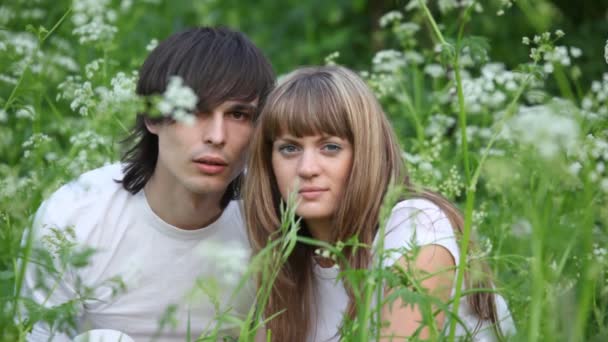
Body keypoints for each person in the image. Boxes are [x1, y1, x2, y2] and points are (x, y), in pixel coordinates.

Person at [23, 27, 275, 341]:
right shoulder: (73, 217)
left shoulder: (274, 224)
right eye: (195, 111)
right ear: (152, 117)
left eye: (238, 114)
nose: (217, 136)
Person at [243, 66, 515, 341]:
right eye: (289, 148)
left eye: (331, 147)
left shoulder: (416, 226)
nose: (307, 168)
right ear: (269, 162)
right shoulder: (285, 264)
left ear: (365, 153)